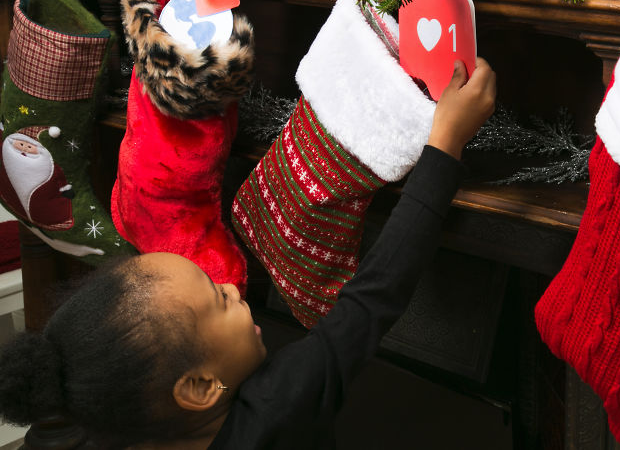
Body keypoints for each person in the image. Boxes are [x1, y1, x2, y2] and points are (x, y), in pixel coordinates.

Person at [0, 57, 496, 450]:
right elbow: (372, 297)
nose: (235, 292)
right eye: (219, 300)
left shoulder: (122, 425)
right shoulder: (280, 407)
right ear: (198, 387)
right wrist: (445, 142)